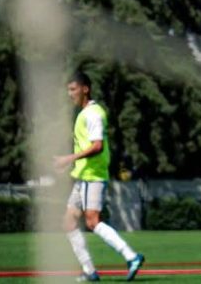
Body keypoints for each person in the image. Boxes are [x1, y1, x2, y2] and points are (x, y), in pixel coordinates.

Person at [56, 72, 145, 282]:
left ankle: (131, 257)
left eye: (73, 89)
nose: (70, 94)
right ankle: (89, 271)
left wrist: (69, 158)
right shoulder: (84, 113)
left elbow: (97, 146)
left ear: (85, 88)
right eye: (68, 90)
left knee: (93, 222)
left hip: (92, 175)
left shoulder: (93, 113)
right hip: (82, 176)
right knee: (68, 222)